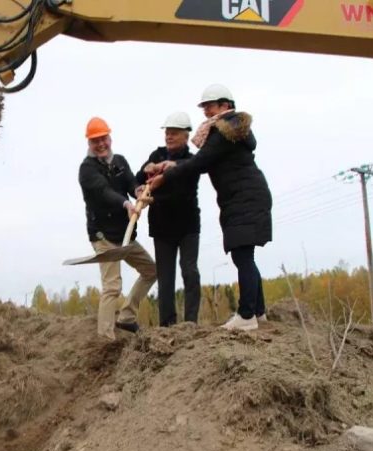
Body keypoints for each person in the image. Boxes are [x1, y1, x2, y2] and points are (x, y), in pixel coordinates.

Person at [147, 84, 272, 332]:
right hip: (243, 197)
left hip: (244, 198)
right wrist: (172, 166)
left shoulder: (225, 131)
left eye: (210, 106)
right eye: (204, 107)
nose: (206, 112)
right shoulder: (231, 130)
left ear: (225, 106)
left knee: (242, 256)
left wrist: (166, 175)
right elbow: (200, 161)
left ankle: (247, 315)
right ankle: (258, 312)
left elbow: (200, 163)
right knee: (245, 255)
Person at [78, 116, 158, 340]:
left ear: (109, 137)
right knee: (112, 286)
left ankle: (127, 317)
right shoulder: (87, 170)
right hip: (103, 236)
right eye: (95, 141)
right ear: (89, 144)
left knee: (152, 271)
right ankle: (105, 339)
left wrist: (139, 191)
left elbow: (130, 183)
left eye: (103, 138)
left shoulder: (120, 161)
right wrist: (126, 204)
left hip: (125, 235)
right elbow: (104, 191)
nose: (101, 144)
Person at [134, 111, 201, 327]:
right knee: (165, 277)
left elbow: (184, 192)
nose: (169, 137)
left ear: (186, 136)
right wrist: (145, 176)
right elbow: (138, 178)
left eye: (173, 133)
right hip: (162, 227)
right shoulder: (157, 154)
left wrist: (157, 192)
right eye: (167, 133)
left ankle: (191, 322)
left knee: (189, 271)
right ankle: (167, 324)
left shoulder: (191, 162)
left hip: (187, 225)